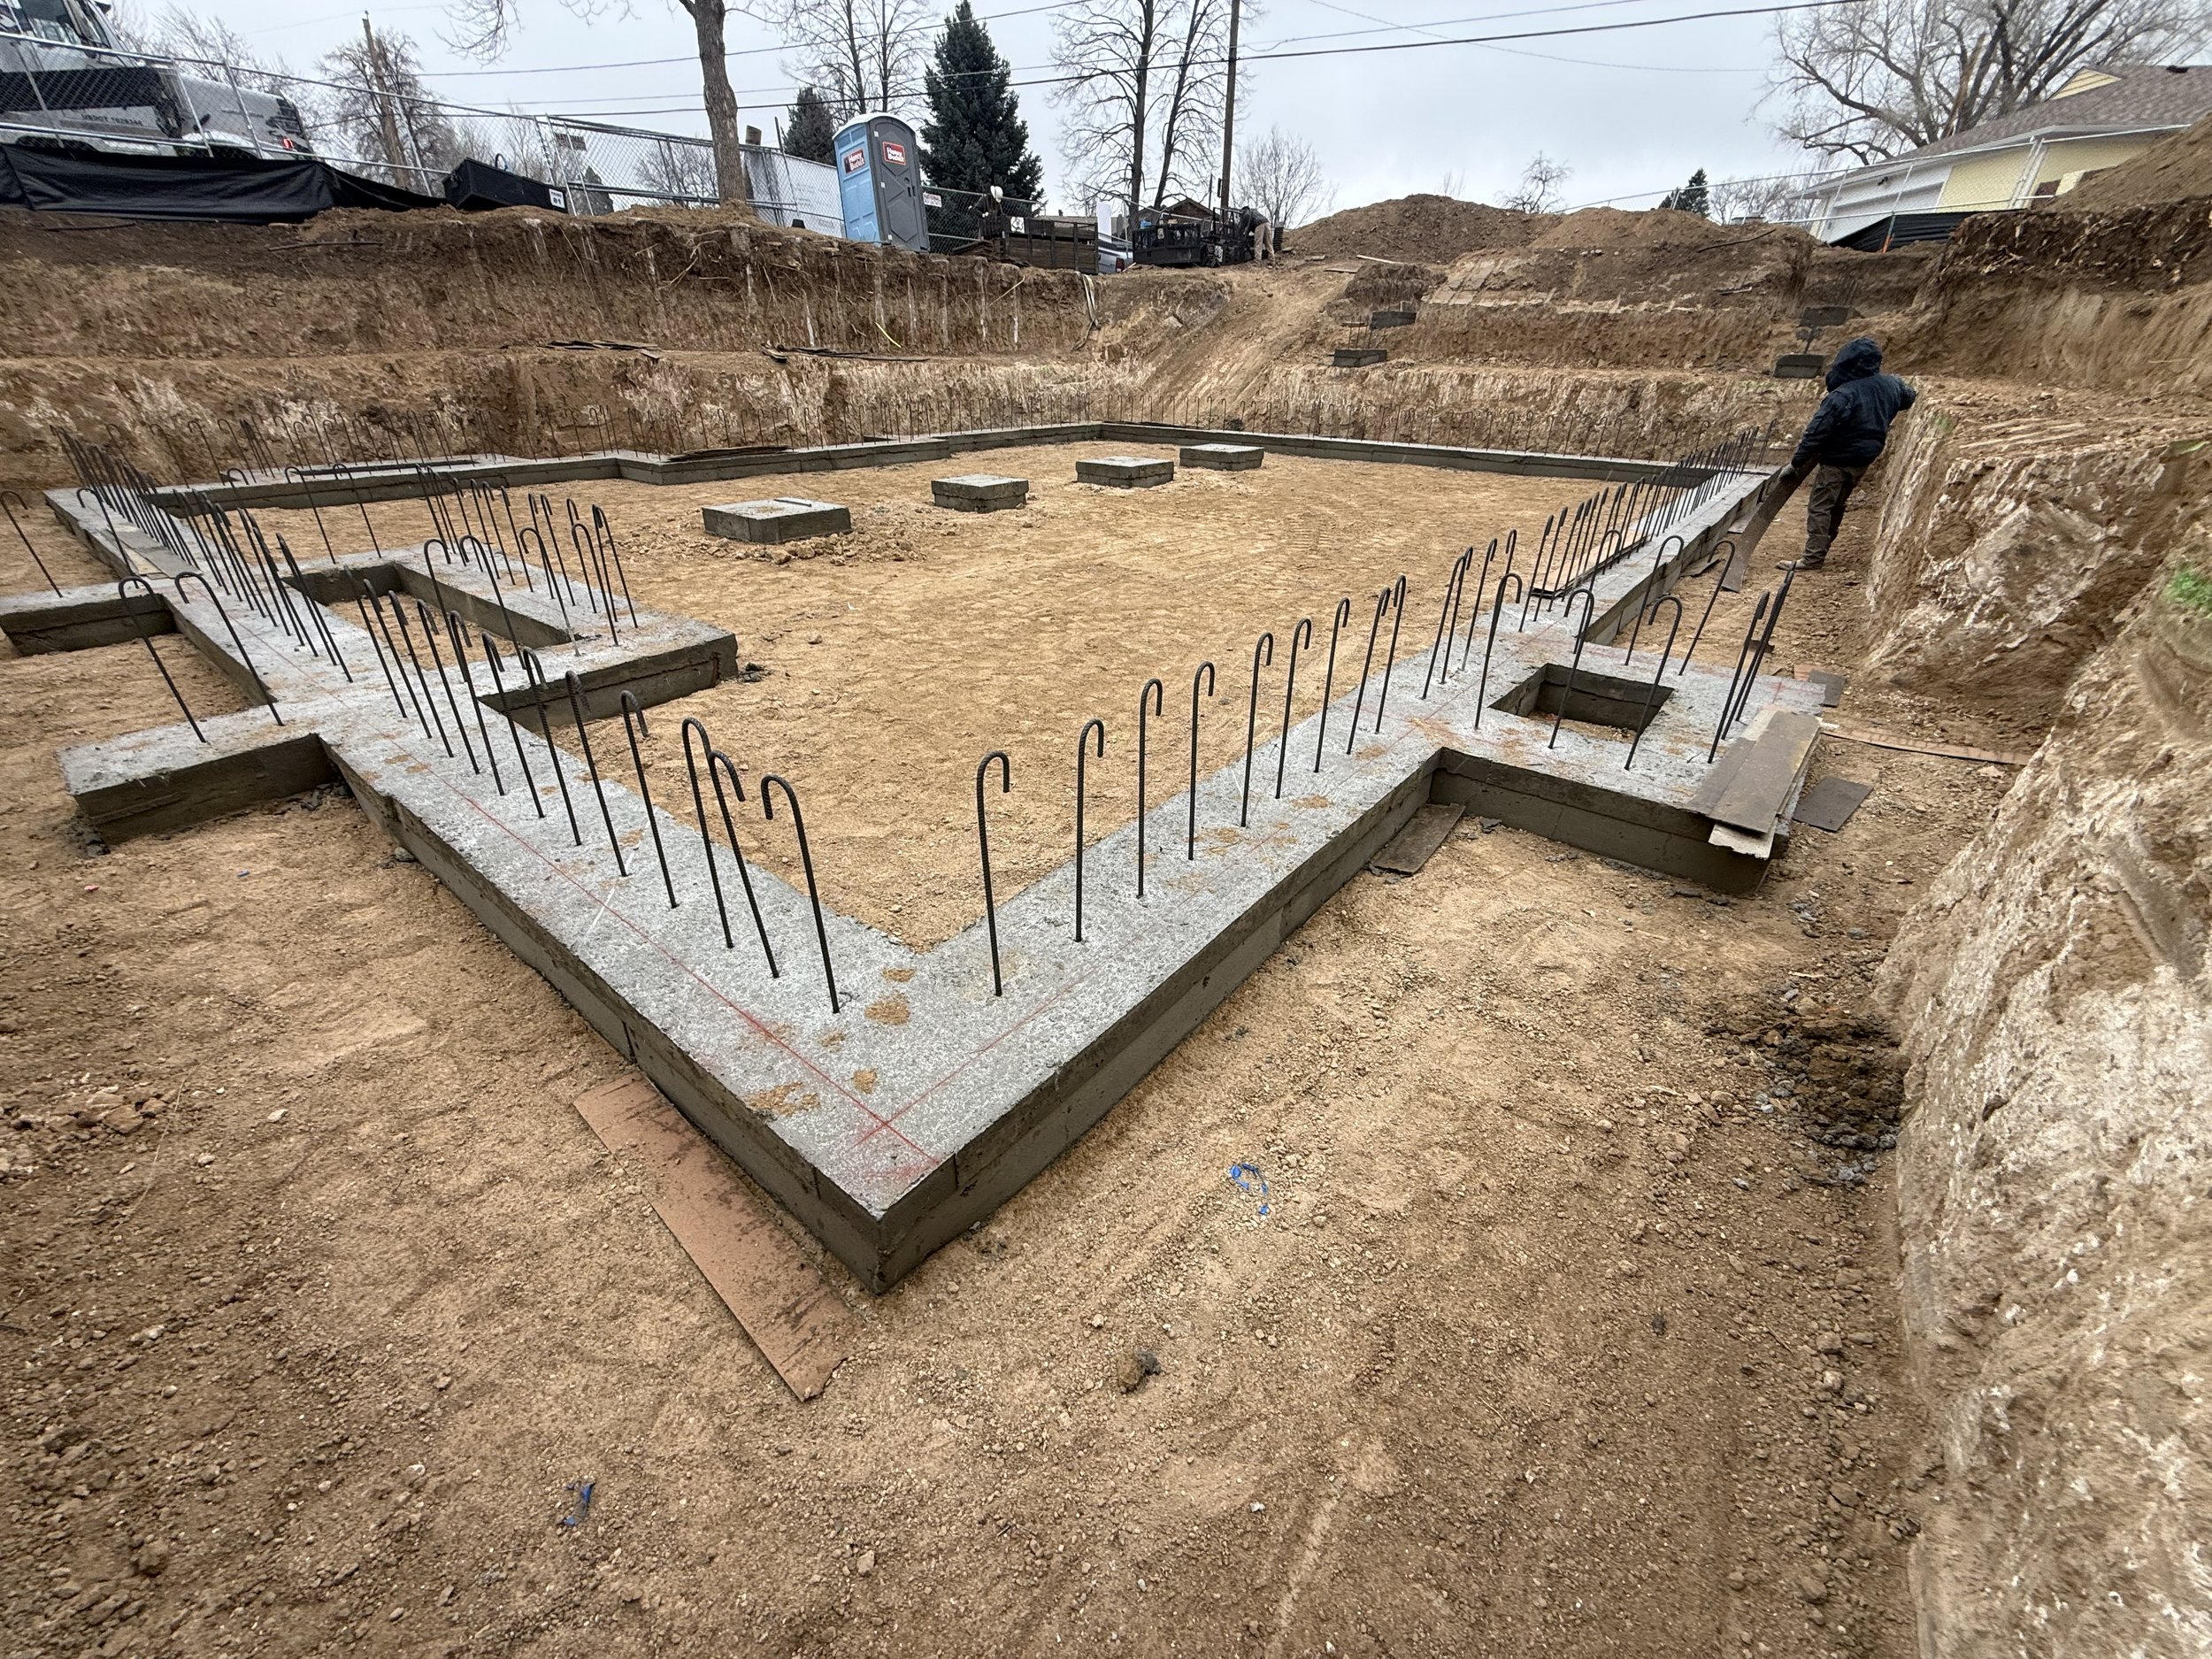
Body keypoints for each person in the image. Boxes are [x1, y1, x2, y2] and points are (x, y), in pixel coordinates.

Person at [1773, 336, 1916, 571]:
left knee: (1820, 506)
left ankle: (1813, 558)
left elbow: (1816, 433)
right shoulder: (1891, 385)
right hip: (1865, 459)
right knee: (1838, 503)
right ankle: (1824, 546)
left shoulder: (1843, 395)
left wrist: (1796, 463)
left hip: (1838, 460)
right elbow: (1909, 398)